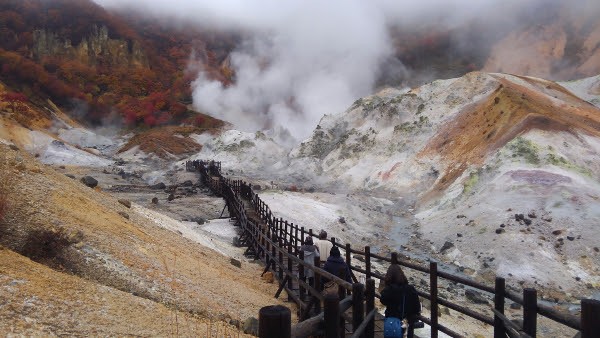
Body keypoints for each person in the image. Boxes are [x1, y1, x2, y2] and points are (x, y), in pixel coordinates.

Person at [380, 264, 421, 338]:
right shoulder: (410, 289)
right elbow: (417, 307)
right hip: (407, 322)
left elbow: (383, 301)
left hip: (392, 322)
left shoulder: (389, 289)